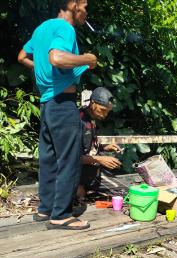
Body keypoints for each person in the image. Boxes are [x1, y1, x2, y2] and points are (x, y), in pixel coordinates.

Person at [18, 0, 97, 230]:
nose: (86, 12)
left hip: (47, 104)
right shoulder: (65, 28)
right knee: (69, 159)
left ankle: (45, 208)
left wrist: (42, 70)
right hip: (62, 104)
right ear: (73, 4)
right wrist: (88, 59)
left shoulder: (42, 28)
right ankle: (61, 214)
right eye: (85, 6)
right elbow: (57, 58)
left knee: (49, 158)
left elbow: (22, 56)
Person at [77, 87, 122, 203]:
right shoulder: (79, 121)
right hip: (78, 174)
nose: (105, 115)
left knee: (122, 192)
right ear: (92, 103)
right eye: (102, 110)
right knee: (120, 193)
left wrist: (104, 147)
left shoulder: (91, 119)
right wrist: (100, 159)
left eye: (107, 111)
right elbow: (72, 156)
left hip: (92, 171)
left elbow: (87, 145)